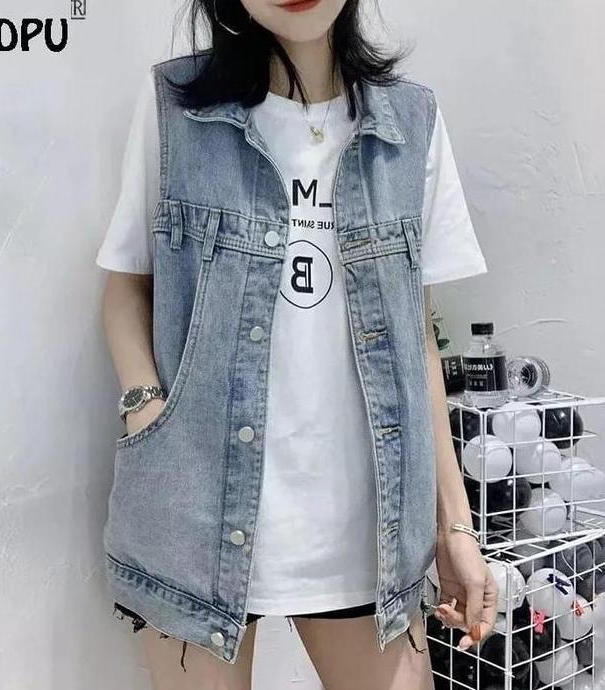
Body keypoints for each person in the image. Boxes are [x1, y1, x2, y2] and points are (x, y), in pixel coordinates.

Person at [96, 0, 499, 687]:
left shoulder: (411, 124)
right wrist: (148, 410)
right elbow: (125, 287)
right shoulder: (175, 107)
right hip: (193, 517)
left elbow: (417, 336)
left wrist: (454, 526)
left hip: (369, 537)